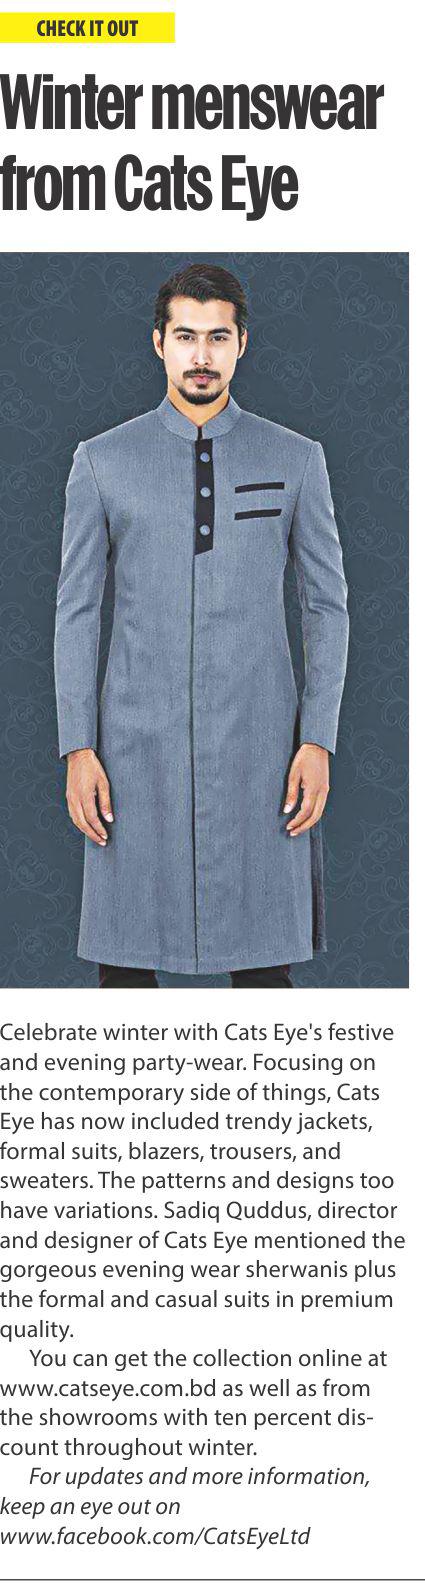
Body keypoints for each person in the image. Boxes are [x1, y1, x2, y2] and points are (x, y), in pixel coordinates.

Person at [54, 262, 349, 989]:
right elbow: (76, 610)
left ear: (242, 344)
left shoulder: (295, 459)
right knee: (125, 979)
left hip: (261, 752)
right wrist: (78, 747)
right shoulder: (102, 461)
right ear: (158, 342)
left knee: (264, 979)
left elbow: (326, 606)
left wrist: (317, 740)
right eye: (185, 336)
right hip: (132, 756)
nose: (201, 355)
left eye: (218, 337)